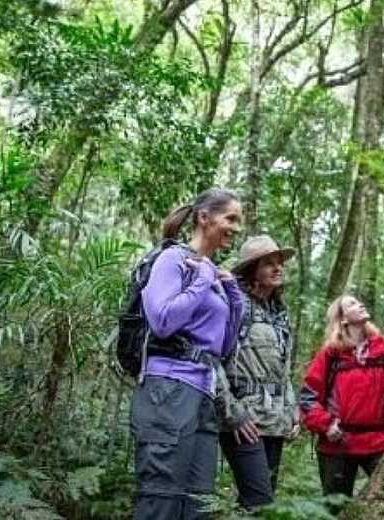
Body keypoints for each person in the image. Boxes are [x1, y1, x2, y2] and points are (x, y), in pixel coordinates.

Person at [131, 187, 244, 520]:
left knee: (198, 503)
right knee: (161, 498)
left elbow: (221, 348)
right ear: (204, 218)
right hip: (168, 389)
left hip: (204, 393)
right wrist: (202, 278)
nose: (236, 228)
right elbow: (163, 321)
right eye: (231, 218)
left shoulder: (210, 271)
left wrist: (233, 295)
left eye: (240, 220)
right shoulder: (173, 259)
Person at [299, 295, 384, 501]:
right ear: (343, 319)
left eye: (359, 302)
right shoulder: (331, 354)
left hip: (377, 443)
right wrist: (325, 425)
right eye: (352, 304)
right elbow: (308, 398)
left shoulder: (383, 349)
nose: (361, 304)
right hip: (337, 444)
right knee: (335, 508)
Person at [215, 235, 299, 510]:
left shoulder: (278, 313)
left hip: (274, 421)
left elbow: (283, 371)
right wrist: (232, 412)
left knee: (259, 505)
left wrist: (292, 412)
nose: (278, 268)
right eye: (269, 264)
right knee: (259, 501)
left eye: (279, 263)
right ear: (252, 269)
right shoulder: (234, 304)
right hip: (244, 420)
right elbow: (211, 360)